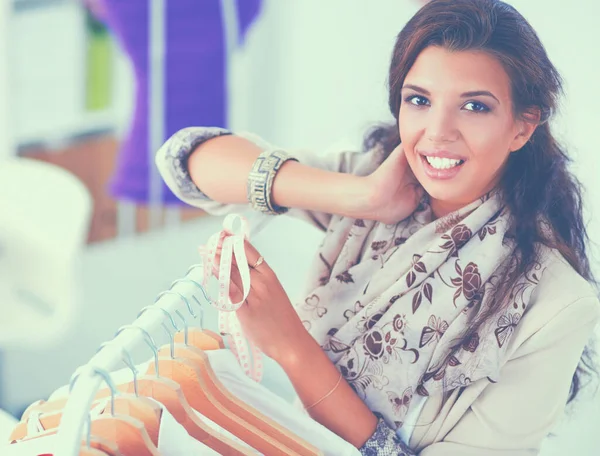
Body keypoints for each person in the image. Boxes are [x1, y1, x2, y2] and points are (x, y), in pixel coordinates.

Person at [156, 0, 599, 454]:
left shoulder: (557, 304)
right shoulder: (377, 179)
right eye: (419, 100)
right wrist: (362, 197)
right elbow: (186, 162)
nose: (437, 131)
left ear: (522, 127)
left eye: (474, 106)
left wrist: (291, 348)